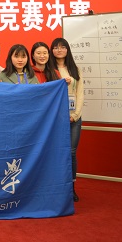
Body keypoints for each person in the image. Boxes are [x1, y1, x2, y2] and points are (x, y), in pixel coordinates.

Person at [49, 37, 84, 202]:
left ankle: (71, 187)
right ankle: (57, 187)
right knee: (54, 151)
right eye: (56, 47)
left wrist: (75, 114)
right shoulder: (49, 69)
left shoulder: (74, 69)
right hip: (55, 118)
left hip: (73, 117)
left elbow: (80, 93)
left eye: (62, 47)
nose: (59, 50)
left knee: (71, 152)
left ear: (67, 50)